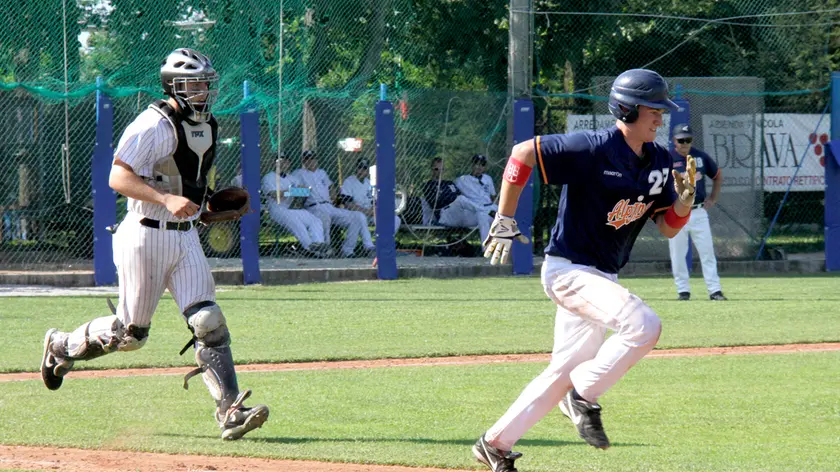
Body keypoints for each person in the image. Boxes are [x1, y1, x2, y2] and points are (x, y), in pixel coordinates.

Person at [39, 48, 269, 441]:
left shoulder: (208, 125)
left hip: (184, 238)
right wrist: (165, 200)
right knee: (129, 337)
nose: (202, 90)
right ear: (173, 86)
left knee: (208, 321)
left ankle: (230, 411)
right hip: (144, 234)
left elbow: (186, 186)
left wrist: (210, 206)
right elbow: (117, 177)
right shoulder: (153, 124)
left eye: (206, 83)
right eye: (194, 83)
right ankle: (60, 345)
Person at [474, 69, 696, 471]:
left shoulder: (661, 161)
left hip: (603, 278)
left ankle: (495, 443)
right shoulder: (592, 148)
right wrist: (504, 217)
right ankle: (582, 394)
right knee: (644, 325)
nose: (660, 118)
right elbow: (523, 152)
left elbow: (666, 227)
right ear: (626, 110)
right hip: (569, 271)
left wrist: (682, 204)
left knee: (562, 371)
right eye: (653, 110)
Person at [668, 124, 727, 301]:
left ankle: (714, 290)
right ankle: (683, 291)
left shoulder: (700, 156)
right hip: (676, 211)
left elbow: (717, 175)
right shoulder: (667, 158)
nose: (684, 143)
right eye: (681, 140)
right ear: (674, 141)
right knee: (677, 254)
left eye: (688, 139)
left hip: (698, 210)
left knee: (707, 251)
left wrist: (713, 198)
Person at [292, 150, 375, 258]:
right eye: (307, 159)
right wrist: (306, 191)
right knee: (324, 217)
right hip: (314, 207)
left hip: (329, 206)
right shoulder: (298, 173)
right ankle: (324, 251)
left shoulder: (322, 173)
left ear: (316, 160)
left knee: (357, 216)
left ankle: (348, 250)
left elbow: (331, 186)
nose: (310, 161)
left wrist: (333, 193)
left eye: (312, 158)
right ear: (303, 161)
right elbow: (292, 191)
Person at [262, 154, 327, 257]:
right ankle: (309, 247)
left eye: (286, 161)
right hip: (277, 209)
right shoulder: (269, 177)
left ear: (289, 163)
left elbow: (305, 192)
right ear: (275, 163)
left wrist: (293, 191)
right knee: (295, 221)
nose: (284, 164)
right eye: (280, 161)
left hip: (291, 209)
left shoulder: (292, 178)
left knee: (315, 221)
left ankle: (318, 246)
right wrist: (291, 192)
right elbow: (275, 195)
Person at [422, 157, 494, 242]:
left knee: (481, 215)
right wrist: (451, 198)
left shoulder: (449, 183)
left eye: (442, 169)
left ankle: (486, 250)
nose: (439, 172)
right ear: (432, 169)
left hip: (457, 214)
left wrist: (448, 197)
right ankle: (486, 210)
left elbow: (456, 195)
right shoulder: (428, 185)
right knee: (461, 199)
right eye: (437, 169)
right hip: (444, 215)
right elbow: (435, 203)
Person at [339, 158, 401, 234]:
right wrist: (366, 212)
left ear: (368, 170)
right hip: (355, 214)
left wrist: (373, 210)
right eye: (359, 167)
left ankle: (382, 240)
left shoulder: (369, 183)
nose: (361, 170)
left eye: (364, 168)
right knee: (360, 217)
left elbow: (376, 202)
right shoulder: (349, 181)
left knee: (395, 219)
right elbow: (348, 204)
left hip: (371, 214)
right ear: (356, 168)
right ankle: (369, 245)